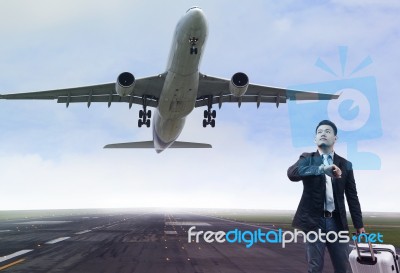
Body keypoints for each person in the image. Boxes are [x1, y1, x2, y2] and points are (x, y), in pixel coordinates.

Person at [287, 120, 365, 273]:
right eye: (319, 131)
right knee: (315, 268)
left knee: (344, 267)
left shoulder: (346, 164)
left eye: (328, 131)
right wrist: (322, 168)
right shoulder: (307, 158)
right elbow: (292, 174)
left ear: (335, 138)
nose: (323, 133)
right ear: (315, 139)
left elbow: (352, 197)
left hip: (337, 222)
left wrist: (359, 225)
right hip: (314, 223)